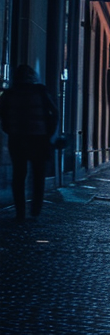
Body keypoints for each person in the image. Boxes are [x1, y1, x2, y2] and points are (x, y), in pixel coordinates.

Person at [0, 65, 58, 223]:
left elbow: (3, 115)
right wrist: (48, 133)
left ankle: (20, 212)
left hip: (17, 138)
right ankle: (35, 209)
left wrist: (10, 129)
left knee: (19, 175)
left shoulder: (9, 93)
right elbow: (54, 112)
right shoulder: (40, 90)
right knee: (38, 175)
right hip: (39, 139)